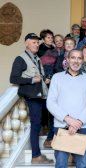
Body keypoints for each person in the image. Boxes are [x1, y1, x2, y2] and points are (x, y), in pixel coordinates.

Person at [47, 49, 86, 167]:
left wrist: (78, 122)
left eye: (79, 58)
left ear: (82, 61)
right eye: (73, 57)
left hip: (82, 127)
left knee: (82, 164)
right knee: (61, 164)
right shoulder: (57, 78)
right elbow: (50, 102)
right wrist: (68, 119)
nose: (76, 61)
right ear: (67, 60)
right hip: (61, 127)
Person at [10, 33, 53, 164]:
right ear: (26, 43)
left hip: (41, 95)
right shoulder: (20, 59)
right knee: (35, 125)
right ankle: (35, 156)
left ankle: (49, 140)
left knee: (53, 115)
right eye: (33, 42)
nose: (36, 44)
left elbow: (38, 75)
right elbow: (14, 78)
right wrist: (32, 80)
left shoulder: (36, 58)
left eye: (37, 42)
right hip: (32, 97)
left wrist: (44, 79)